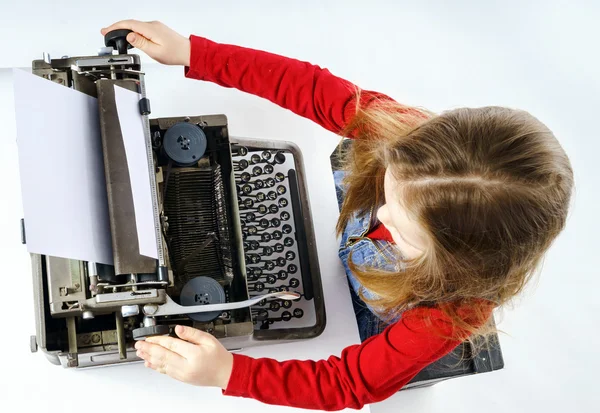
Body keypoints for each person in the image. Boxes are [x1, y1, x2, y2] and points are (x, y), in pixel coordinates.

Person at [100, 20, 574, 411]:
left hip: (382, 318)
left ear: (458, 265)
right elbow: (308, 86)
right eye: (389, 185)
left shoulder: (448, 314)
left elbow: (346, 383)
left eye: (403, 229)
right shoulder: (410, 140)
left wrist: (229, 372)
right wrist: (194, 53)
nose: (383, 213)